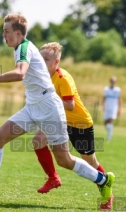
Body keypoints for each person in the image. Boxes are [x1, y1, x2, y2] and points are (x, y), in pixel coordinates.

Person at [0, 13, 115, 210]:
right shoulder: (20, 47)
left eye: (6, 31)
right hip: (32, 107)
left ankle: (102, 180)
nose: (3, 35)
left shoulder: (23, 47)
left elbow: (20, 73)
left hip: (49, 108)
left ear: (18, 33)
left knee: (64, 160)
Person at [32, 42, 113, 209]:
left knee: (90, 162)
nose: (42, 62)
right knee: (38, 140)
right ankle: (52, 178)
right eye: (40, 58)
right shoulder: (42, 76)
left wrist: (48, 101)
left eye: (46, 59)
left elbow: (70, 105)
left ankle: (106, 192)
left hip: (80, 123)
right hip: (58, 120)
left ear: (56, 62)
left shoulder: (63, 78)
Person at [103, 76, 121, 141]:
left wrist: (119, 109)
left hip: (114, 107)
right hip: (107, 107)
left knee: (110, 121)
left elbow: (119, 100)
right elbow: (104, 98)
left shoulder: (117, 90)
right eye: (112, 81)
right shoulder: (106, 89)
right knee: (105, 122)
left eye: (114, 81)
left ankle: (109, 136)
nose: (113, 82)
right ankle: (110, 132)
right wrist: (103, 106)